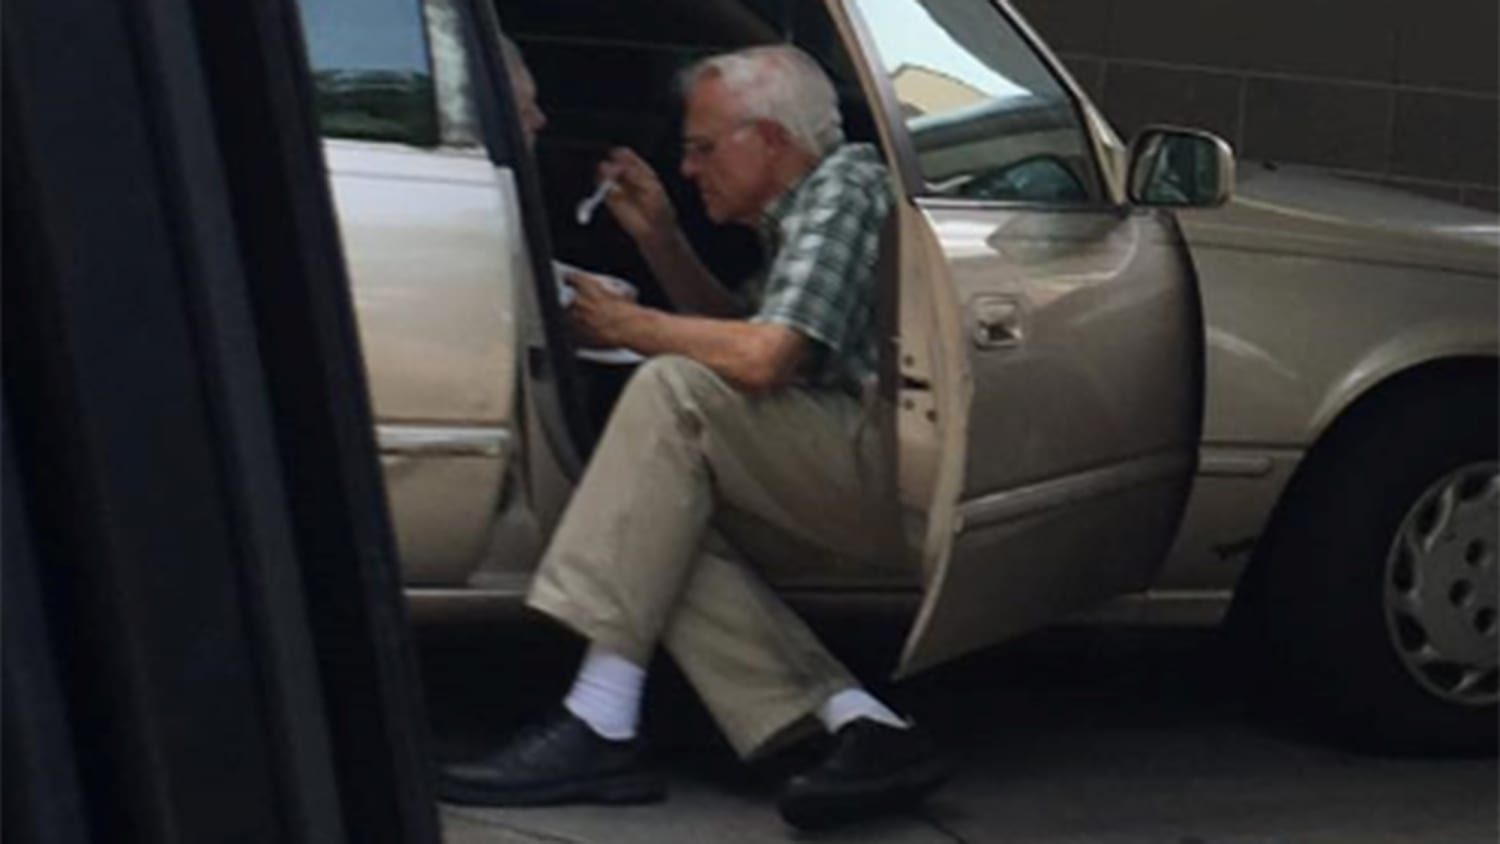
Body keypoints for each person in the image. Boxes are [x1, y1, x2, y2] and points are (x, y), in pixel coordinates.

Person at [438, 43, 947, 830]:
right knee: (658, 522)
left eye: (703, 148)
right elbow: (743, 330)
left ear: (772, 140)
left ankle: (599, 717)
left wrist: (629, 325)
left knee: (672, 391)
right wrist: (660, 237)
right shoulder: (798, 213)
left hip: (886, 463)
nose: (688, 165)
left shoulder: (844, 187)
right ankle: (861, 723)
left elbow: (766, 358)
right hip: (830, 457)